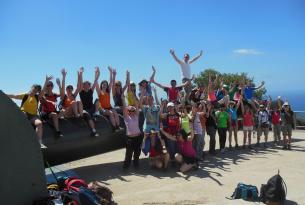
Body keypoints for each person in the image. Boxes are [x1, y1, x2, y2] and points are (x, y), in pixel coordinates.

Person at [7, 76, 51, 148]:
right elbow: (13, 96)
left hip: (33, 116)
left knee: (39, 123)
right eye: (34, 88)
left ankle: (39, 142)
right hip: (24, 114)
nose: (35, 90)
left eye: (37, 90)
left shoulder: (37, 97)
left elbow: (42, 91)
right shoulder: (25, 95)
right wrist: (3, 94)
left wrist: (46, 81)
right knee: (23, 115)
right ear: (31, 88)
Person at [121, 75, 142, 169]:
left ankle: (136, 165)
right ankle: (126, 167)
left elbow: (137, 106)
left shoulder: (136, 116)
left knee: (137, 153)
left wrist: (134, 99)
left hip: (138, 137)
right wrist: (123, 99)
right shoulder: (126, 117)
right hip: (129, 139)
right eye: (130, 110)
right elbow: (125, 107)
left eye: (133, 110)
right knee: (128, 154)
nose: (131, 112)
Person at [96, 66, 121, 130]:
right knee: (111, 113)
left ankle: (118, 126)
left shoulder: (108, 92)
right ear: (101, 85)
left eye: (106, 84)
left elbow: (111, 81)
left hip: (109, 107)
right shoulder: (99, 92)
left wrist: (111, 73)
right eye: (103, 84)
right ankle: (114, 127)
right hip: (103, 109)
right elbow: (96, 83)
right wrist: (96, 74)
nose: (104, 85)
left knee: (115, 113)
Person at [78, 67, 100, 137]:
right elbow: (80, 83)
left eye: (87, 85)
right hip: (85, 110)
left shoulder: (91, 91)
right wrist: (81, 74)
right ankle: (94, 131)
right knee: (88, 116)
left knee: (97, 100)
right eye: (85, 85)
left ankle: (96, 113)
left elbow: (95, 80)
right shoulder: (81, 92)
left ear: (89, 86)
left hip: (92, 108)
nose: (86, 86)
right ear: (83, 86)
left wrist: (97, 73)